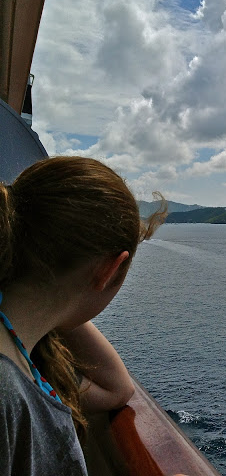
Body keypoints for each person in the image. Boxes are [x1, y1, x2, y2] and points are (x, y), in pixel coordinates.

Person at [0, 156, 166, 475]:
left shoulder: (23, 350)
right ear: (110, 269)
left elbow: (117, 388)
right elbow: (117, 389)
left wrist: (57, 304)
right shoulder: (6, 387)